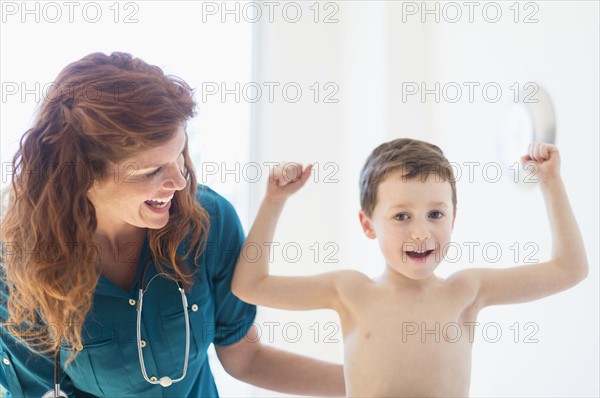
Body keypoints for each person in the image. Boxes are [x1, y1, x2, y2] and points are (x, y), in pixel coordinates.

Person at [0, 52, 345, 397]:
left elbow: (246, 358)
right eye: (151, 172)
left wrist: (377, 383)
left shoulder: (209, 222)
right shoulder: (20, 264)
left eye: (179, 155)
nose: (179, 182)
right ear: (81, 174)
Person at [232, 138, 589, 397]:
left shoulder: (466, 290)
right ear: (368, 225)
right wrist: (274, 202)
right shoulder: (351, 291)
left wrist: (551, 182)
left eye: (435, 214)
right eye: (401, 216)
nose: (421, 233)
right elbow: (250, 285)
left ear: (453, 219)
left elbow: (569, 268)